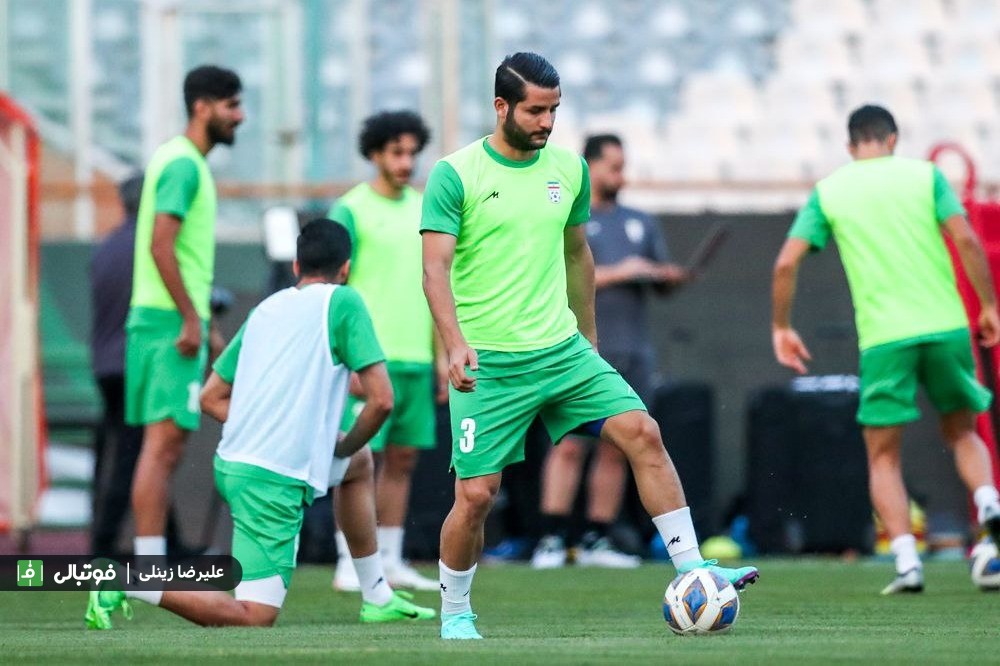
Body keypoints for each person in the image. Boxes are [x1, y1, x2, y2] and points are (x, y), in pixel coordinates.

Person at [421, 52, 759, 640]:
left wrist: (589, 340)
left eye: (554, 110)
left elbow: (578, 254)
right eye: (535, 110)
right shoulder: (455, 175)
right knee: (475, 496)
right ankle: (455, 611)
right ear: (501, 107)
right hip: (489, 362)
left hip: (562, 352)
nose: (547, 122)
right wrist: (452, 345)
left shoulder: (569, 170)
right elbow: (434, 270)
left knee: (643, 432)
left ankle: (693, 569)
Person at [85, 220, 436, 629]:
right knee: (254, 616)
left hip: (235, 461)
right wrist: (338, 443)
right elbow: (382, 400)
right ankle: (125, 581)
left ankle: (376, 595)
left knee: (357, 465)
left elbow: (211, 397)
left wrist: (291, 432)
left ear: (296, 266)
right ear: (346, 269)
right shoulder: (344, 301)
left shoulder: (267, 308)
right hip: (267, 477)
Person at [771, 104, 1000, 595]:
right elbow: (966, 239)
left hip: (884, 338)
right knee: (963, 432)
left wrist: (781, 326)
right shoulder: (926, 176)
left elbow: (786, 263)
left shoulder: (831, 190)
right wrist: (988, 306)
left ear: (851, 146)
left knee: (883, 457)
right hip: (946, 327)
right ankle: (988, 503)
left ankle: (907, 563)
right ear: (892, 139)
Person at [531, 133, 688, 570]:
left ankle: (597, 539)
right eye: (614, 167)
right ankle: (551, 539)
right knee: (569, 443)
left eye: (623, 167)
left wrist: (664, 277)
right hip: (579, 347)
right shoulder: (568, 217)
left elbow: (657, 279)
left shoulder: (640, 222)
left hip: (633, 350)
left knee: (619, 446)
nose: (621, 176)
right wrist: (623, 272)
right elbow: (560, 275)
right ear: (591, 166)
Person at [126, 65, 242, 561]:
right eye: (231, 105)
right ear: (202, 107)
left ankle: (150, 564)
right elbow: (161, 245)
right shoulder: (183, 165)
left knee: (165, 447)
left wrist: (206, 327)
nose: (240, 116)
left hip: (166, 320)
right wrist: (191, 320)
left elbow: (179, 255)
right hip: (166, 324)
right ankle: (149, 568)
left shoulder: (184, 161)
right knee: (163, 447)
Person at [329, 110, 442, 592]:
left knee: (403, 461)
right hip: (369, 361)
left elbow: (440, 283)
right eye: (396, 152)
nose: (406, 162)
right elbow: (332, 289)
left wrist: (442, 357)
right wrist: (346, 359)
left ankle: (390, 560)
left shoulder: (425, 209)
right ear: (375, 153)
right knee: (357, 462)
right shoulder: (350, 209)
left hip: (417, 358)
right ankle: (348, 562)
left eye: (412, 153)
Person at [90, 173, 188, 558]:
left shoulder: (105, 248)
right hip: (136, 360)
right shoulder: (150, 248)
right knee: (141, 455)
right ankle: (103, 544)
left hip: (105, 364)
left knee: (141, 452)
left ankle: (171, 541)